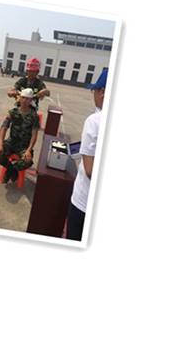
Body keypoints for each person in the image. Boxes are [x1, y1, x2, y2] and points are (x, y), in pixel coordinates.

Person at [67, 69, 106, 241]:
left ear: (102, 92)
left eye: (94, 90)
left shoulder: (95, 121)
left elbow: (90, 170)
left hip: (84, 203)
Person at [0, 88, 40, 183]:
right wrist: (0, 145)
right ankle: (12, 170)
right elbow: (3, 128)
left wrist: (28, 150)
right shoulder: (13, 112)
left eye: (28, 99)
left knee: (27, 161)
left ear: (31, 101)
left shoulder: (34, 116)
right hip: (11, 142)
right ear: (19, 98)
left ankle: (10, 171)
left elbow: (34, 135)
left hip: (24, 146)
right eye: (23, 98)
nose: (25, 100)